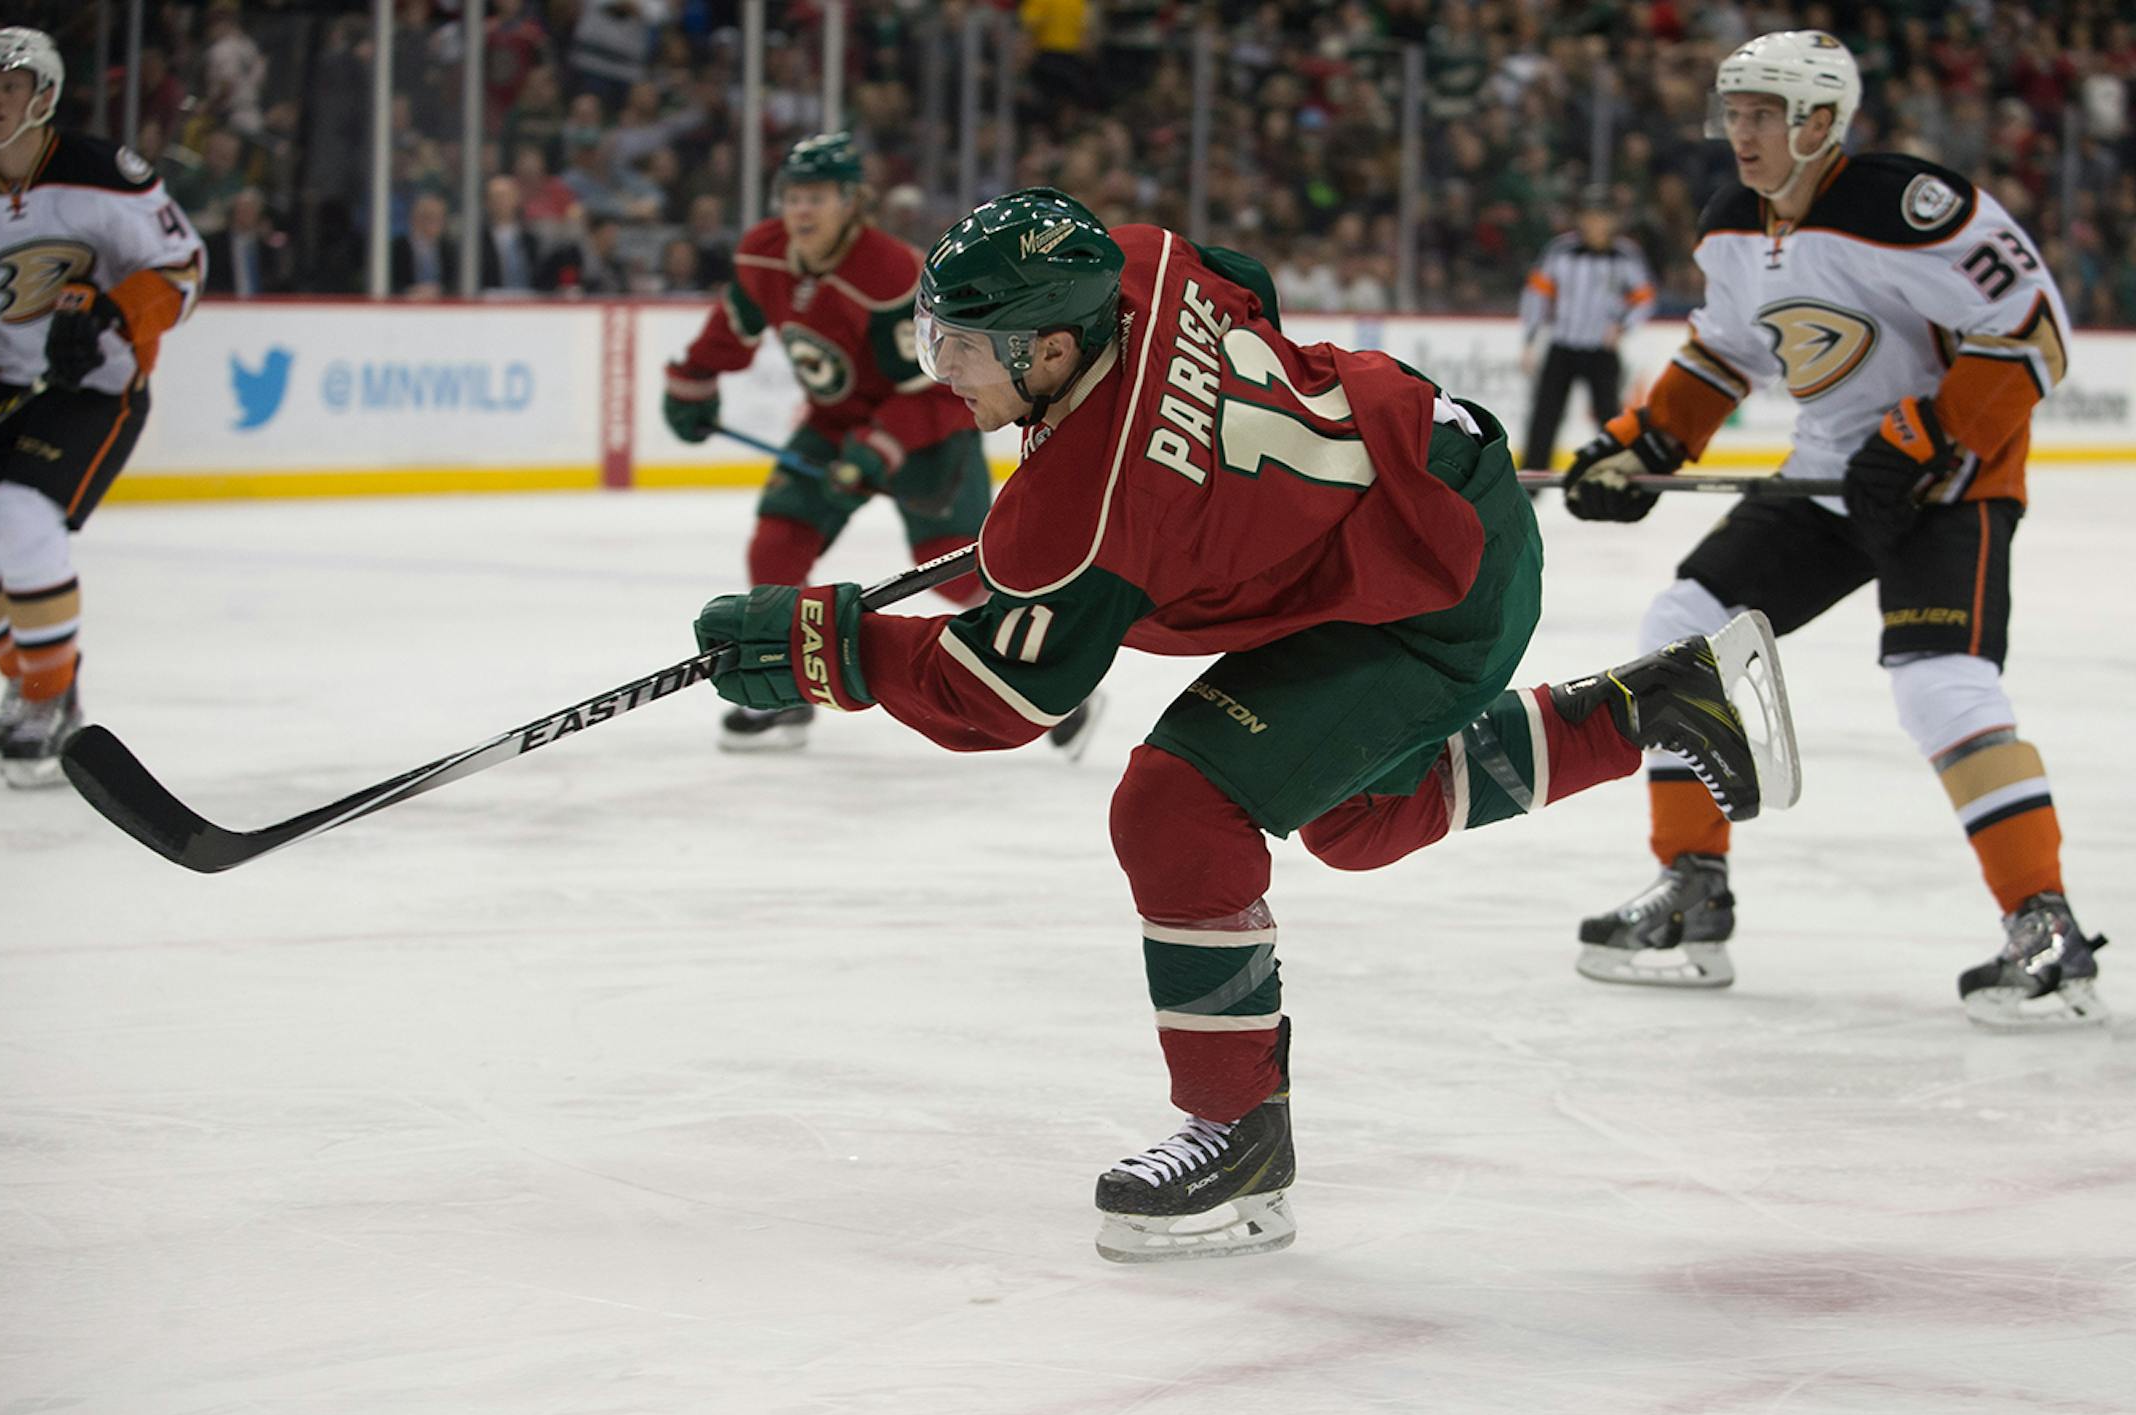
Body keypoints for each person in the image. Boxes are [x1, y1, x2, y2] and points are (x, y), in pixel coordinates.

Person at [689, 187, 1800, 1261]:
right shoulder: (1137, 260)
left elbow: (998, 698)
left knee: (1177, 804)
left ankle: (1239, 1135)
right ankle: (1650, 706)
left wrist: (819, 648)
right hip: (1409, 471)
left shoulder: (1084, 518)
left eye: (969, 349)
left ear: (1053, 349)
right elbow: (1243, 285)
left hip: (1435, 575)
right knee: (1356, 819)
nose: (946, 375)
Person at [1561, 32, 2103, 1030]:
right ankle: (1693, 891)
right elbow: (1722, 353)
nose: (1744, 133)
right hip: (1824, 477)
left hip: (1950, 481)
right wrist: (1643, 445)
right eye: (1735, 113)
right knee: (1683, 625)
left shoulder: (1907, 208)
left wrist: (1926, 436)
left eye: (1765, 114)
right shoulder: (1731, 226)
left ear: (1822, 122)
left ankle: (2047, 931)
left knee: (1942, 683)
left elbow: (2036, 327)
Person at [662, 133, 1096, 756]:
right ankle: (785, 699)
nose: (801, 211)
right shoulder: (764, 255)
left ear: (852, 201)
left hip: (927, 438)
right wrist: (693, 381)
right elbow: (736, 323)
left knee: (955, 576)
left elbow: (935, 387)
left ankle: (1047, 685)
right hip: (835, 425)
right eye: (792, 196)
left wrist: (878, 450)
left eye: (817, 197)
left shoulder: (889, 272)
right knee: (777, 542)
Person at [0, 26, 204, 787]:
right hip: (0, 383)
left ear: (43, 95)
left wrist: (110, 311)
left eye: (8, 87)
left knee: (18, 516)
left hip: (96, 386)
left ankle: (43, 693)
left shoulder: (103, 171)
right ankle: (41, 678)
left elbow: (184, 269)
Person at [1516, 185, 1655, 476]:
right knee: (1545, 414)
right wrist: (1530, 338)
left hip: (1601, 349)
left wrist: (1623, 326)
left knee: (1609, 416)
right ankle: (1532, 477)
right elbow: (1537, 294)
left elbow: (1644, 297)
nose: (1595, 224)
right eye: (1589, 216)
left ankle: (1616, 472)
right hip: (1563, 344)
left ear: (1612, 221)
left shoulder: (1625, 255)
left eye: (1601, 217)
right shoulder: (1560, 250)